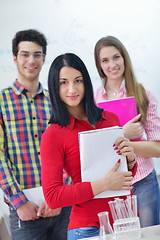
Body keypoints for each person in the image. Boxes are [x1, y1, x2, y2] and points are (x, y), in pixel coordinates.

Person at [40, 52, 137, 240]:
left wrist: (131, 160)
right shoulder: (53, 135)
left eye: (78, 80)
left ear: (86, 82)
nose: (72, 89)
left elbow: (124, 176)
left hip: (126, 220)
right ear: (54, 87)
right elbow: (52, 197)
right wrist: (104, 184)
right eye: (63, 83)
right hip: (88, 229)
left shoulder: (110, 119)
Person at [0, 29, 71, 240]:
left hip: (62, 208)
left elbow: (69, 150)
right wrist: (18, 201)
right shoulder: (2, 102)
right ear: (14, 58)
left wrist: (60, 197)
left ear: (44, 58)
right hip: (25, 211)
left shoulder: (57, 101)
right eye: (24, 54)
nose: (31, 60)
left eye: (37, 54)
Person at [94, 35, 160, 227]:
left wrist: (125, 143)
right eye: (105, 60)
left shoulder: (143, 93)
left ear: (124, 58)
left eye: (116, 57)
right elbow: (94, 148)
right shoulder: (94, 99)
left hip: (143, 182)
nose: (112, 64)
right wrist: (123, 133)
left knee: (149, 236)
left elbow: (157, 147)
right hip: (110, 184)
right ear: (99, 65)